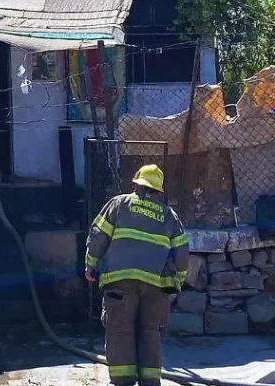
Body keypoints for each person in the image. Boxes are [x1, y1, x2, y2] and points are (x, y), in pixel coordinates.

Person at [84, 164, 189, 386]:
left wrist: (90, 265)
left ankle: (124, 381)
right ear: (159, 191)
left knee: (120, 330)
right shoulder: (170, 216)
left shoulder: (119, 204)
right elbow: (182, 254)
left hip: (119, 282)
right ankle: (150, 381)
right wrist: (178, 280)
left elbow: (98, 236)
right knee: (150, 332)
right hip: (155, 286)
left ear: (135, 184)